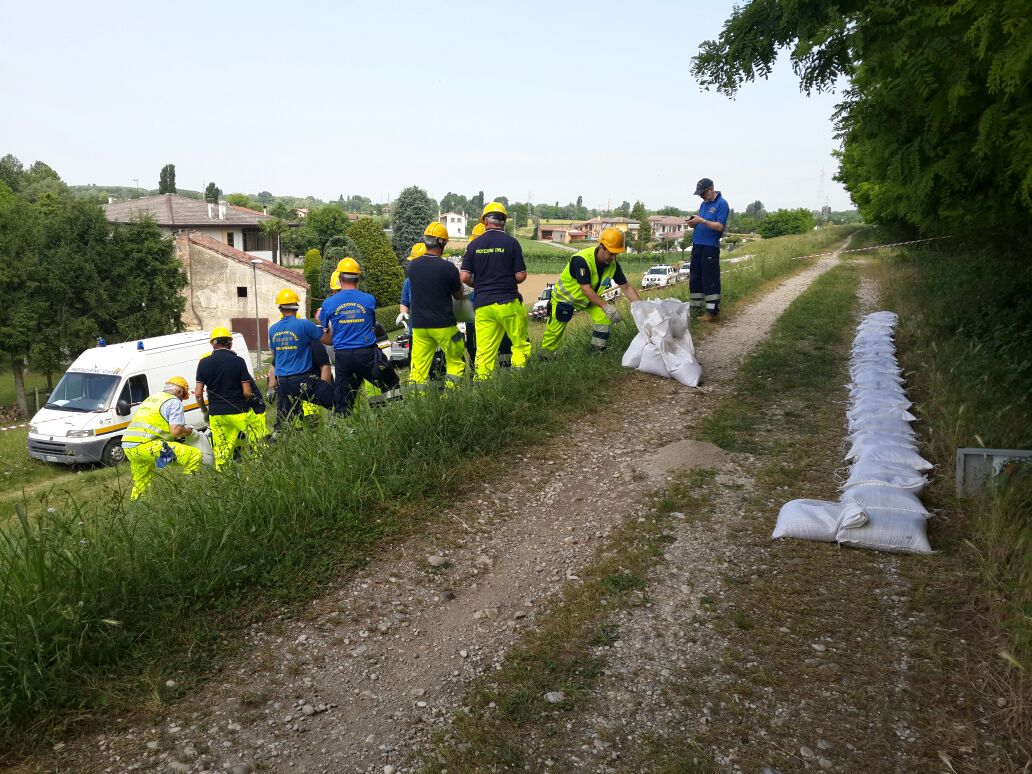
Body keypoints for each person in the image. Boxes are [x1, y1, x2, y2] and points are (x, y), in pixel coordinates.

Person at [540, 227, 641, 356]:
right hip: (564, 299)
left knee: (604, 318)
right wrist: (606, 306)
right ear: (602, 246)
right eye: (611, 253)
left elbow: (626, 287)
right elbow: (586, 289)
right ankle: (545, 358)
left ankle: (597, 353)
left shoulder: (613, 265)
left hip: (588, 300)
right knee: (554, 332)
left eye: (616, 254)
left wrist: (642, 307)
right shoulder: (582, 260)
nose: (613, 257)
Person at [319, 257, 400, 415]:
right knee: (391, 383)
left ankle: (343, 422)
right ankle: (399, 413)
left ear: (340, 277)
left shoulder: (328, 304)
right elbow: (371, 324)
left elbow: (326, 333)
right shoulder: (369, 300)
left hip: (343, 357)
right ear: (358, 278)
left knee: (343, 398)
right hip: (366, 353)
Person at [459, 202, 531, 379]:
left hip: (483, 306)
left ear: (485, 221)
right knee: (519, 345)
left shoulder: (473, 245)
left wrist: (480, 284)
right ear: (504, 221)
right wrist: (505, 280)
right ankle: (517, 382)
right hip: (508, 303)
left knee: (484, 352)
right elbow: (521, 275)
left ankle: (482, 389)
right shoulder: (512, 243)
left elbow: (464, 276)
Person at [121, 376, 202, 500]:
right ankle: (189, 496)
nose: (181, 400)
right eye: (182, 397)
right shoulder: (174, 402)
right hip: (148, 446)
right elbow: (176, 430)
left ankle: (137, 506)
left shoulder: (151, 399)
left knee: (141, 483)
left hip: (129, 447)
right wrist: (188, 431)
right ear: (179, 392)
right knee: (194, 455)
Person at [407, 222, 466, 387]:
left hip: (419, 327)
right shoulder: (448, 268)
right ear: (442, 242)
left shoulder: (412, 266)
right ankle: (451, 396)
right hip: (444, 325)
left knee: (418, 369)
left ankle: (417, 398)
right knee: (456, 358)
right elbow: (458, 295)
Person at [268, 288, 334, 422]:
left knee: (285, 420)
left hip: (283, 383)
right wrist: (326, 323)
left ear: (280, 308)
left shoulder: (272, 330)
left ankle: (280, 431)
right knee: (338, 400)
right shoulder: (305, 325)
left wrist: (271, 387)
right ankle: (341, 426)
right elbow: (329, 341)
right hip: (302, 380)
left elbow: (276, 358)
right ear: (296, 307)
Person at [195, 327, 255, 470]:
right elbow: (247, 392)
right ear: (230, 344)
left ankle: (223, 476)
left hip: (216, 414)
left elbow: (198, 394)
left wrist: (205, 411)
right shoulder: (238, 361)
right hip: (239, 411)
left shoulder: (203, 363)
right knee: (256, 439)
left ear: (212, 344)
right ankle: (260, 469)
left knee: (222, 452)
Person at [686, 177, 730, 322]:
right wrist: (694, 223)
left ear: (711, 189)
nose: (701, 196)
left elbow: (719, 226)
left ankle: (712, 312)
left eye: (702, 193)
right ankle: (695, 308)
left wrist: (702, 221)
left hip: (710, 247)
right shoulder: (704, 204)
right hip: (697, 245)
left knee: (709, 278)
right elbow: (702, 223)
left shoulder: (722, 204)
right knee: (695, 277)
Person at [397, 242, 427, 333]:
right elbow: (405, 302)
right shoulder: (408, 281)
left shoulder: (436, 278)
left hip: (435, 328)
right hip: (415, 329)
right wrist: (403, 312)